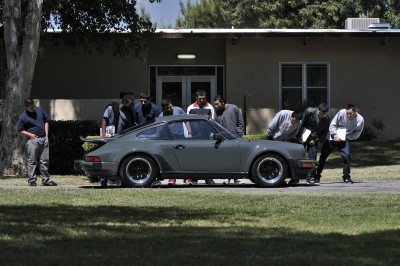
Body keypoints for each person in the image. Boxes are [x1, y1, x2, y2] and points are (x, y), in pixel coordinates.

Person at [310, 104, 364, 184]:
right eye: (347, 113)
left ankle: (346, 177)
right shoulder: (342, 113)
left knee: (346, 155)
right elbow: (333, 124)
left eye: (350, 113)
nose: (348, 115)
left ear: (355, 111)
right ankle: (317, 176)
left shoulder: (360, 120)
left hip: (345, 137)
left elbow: (357, 133)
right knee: (323, 156)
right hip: (333, 135)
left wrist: (347, 137)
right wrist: (335, 135)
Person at [16, 98, 57, 187]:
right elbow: (19, 130)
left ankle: (45, 180)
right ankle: (32, 180)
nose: (33, 109)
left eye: (34, 106)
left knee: (44, 161)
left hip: (44, 139)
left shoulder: (40, 110)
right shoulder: (23, 116)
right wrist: (30, 135)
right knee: (32, 161)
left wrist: (46, 135)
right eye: (31, 108)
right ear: (26, 107)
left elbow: (46, 121)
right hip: (33, 141)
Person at [100, 94, 136, 187]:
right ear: (125, 102)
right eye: (130, 104)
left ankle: (121, 180)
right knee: (107, 156)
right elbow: (104, 120)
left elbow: (132, 123)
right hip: (110, 136)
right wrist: (104, 134)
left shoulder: (129, 111)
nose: (131, 106)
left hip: (122, 138)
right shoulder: (111, 108)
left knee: (120, 158)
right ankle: (103, 179)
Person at [213, 95, 245, 185]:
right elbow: (216, 124)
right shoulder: (217, 111)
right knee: (226, 159)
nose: (216, 106)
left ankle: (237, 178)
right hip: (224, 139)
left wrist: (239, 135)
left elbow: (240, 122)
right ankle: (227, 177)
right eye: (215, 104)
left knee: (236, 158)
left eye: (217, 104)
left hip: (235, 137)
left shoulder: (233, 108)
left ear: (222, 102)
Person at [186, 89, 215, 185]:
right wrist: (189, 133)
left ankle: (208, 178)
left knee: (208, 158)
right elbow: (187, 121)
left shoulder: (210, 107)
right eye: (200, 98)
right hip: (194, 136)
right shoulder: (190, 108)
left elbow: (213, 122)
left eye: (203, 98)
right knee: (195, 158)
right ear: (196, 98)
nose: (202, 100)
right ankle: (195, 179)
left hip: (207, 137)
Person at [299, 103, 331, 184]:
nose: (320, 115)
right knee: (298, 155)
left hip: (314, 138)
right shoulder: (309, 111)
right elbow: (301, 123)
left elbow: (324, 132)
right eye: (319, 113)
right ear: (317, 109)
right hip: (304, 135)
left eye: (323, 114)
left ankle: (311, 176)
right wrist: (299, 136)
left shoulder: (327, 118)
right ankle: (296, 177)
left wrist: (316, 140)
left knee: (312, 157)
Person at [159, 98, 187, 186]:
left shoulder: (178, 110)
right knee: (172, 158)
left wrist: (189, 132)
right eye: (167, 108)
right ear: (163, 108)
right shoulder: (161, 116)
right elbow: (159, 129)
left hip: (180, 137)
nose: (169, 109)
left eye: (170, 107)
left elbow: (186, 120)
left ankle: (187, 177)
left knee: (183, 157)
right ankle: (172, 177)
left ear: (172, 104)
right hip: (169, 139)